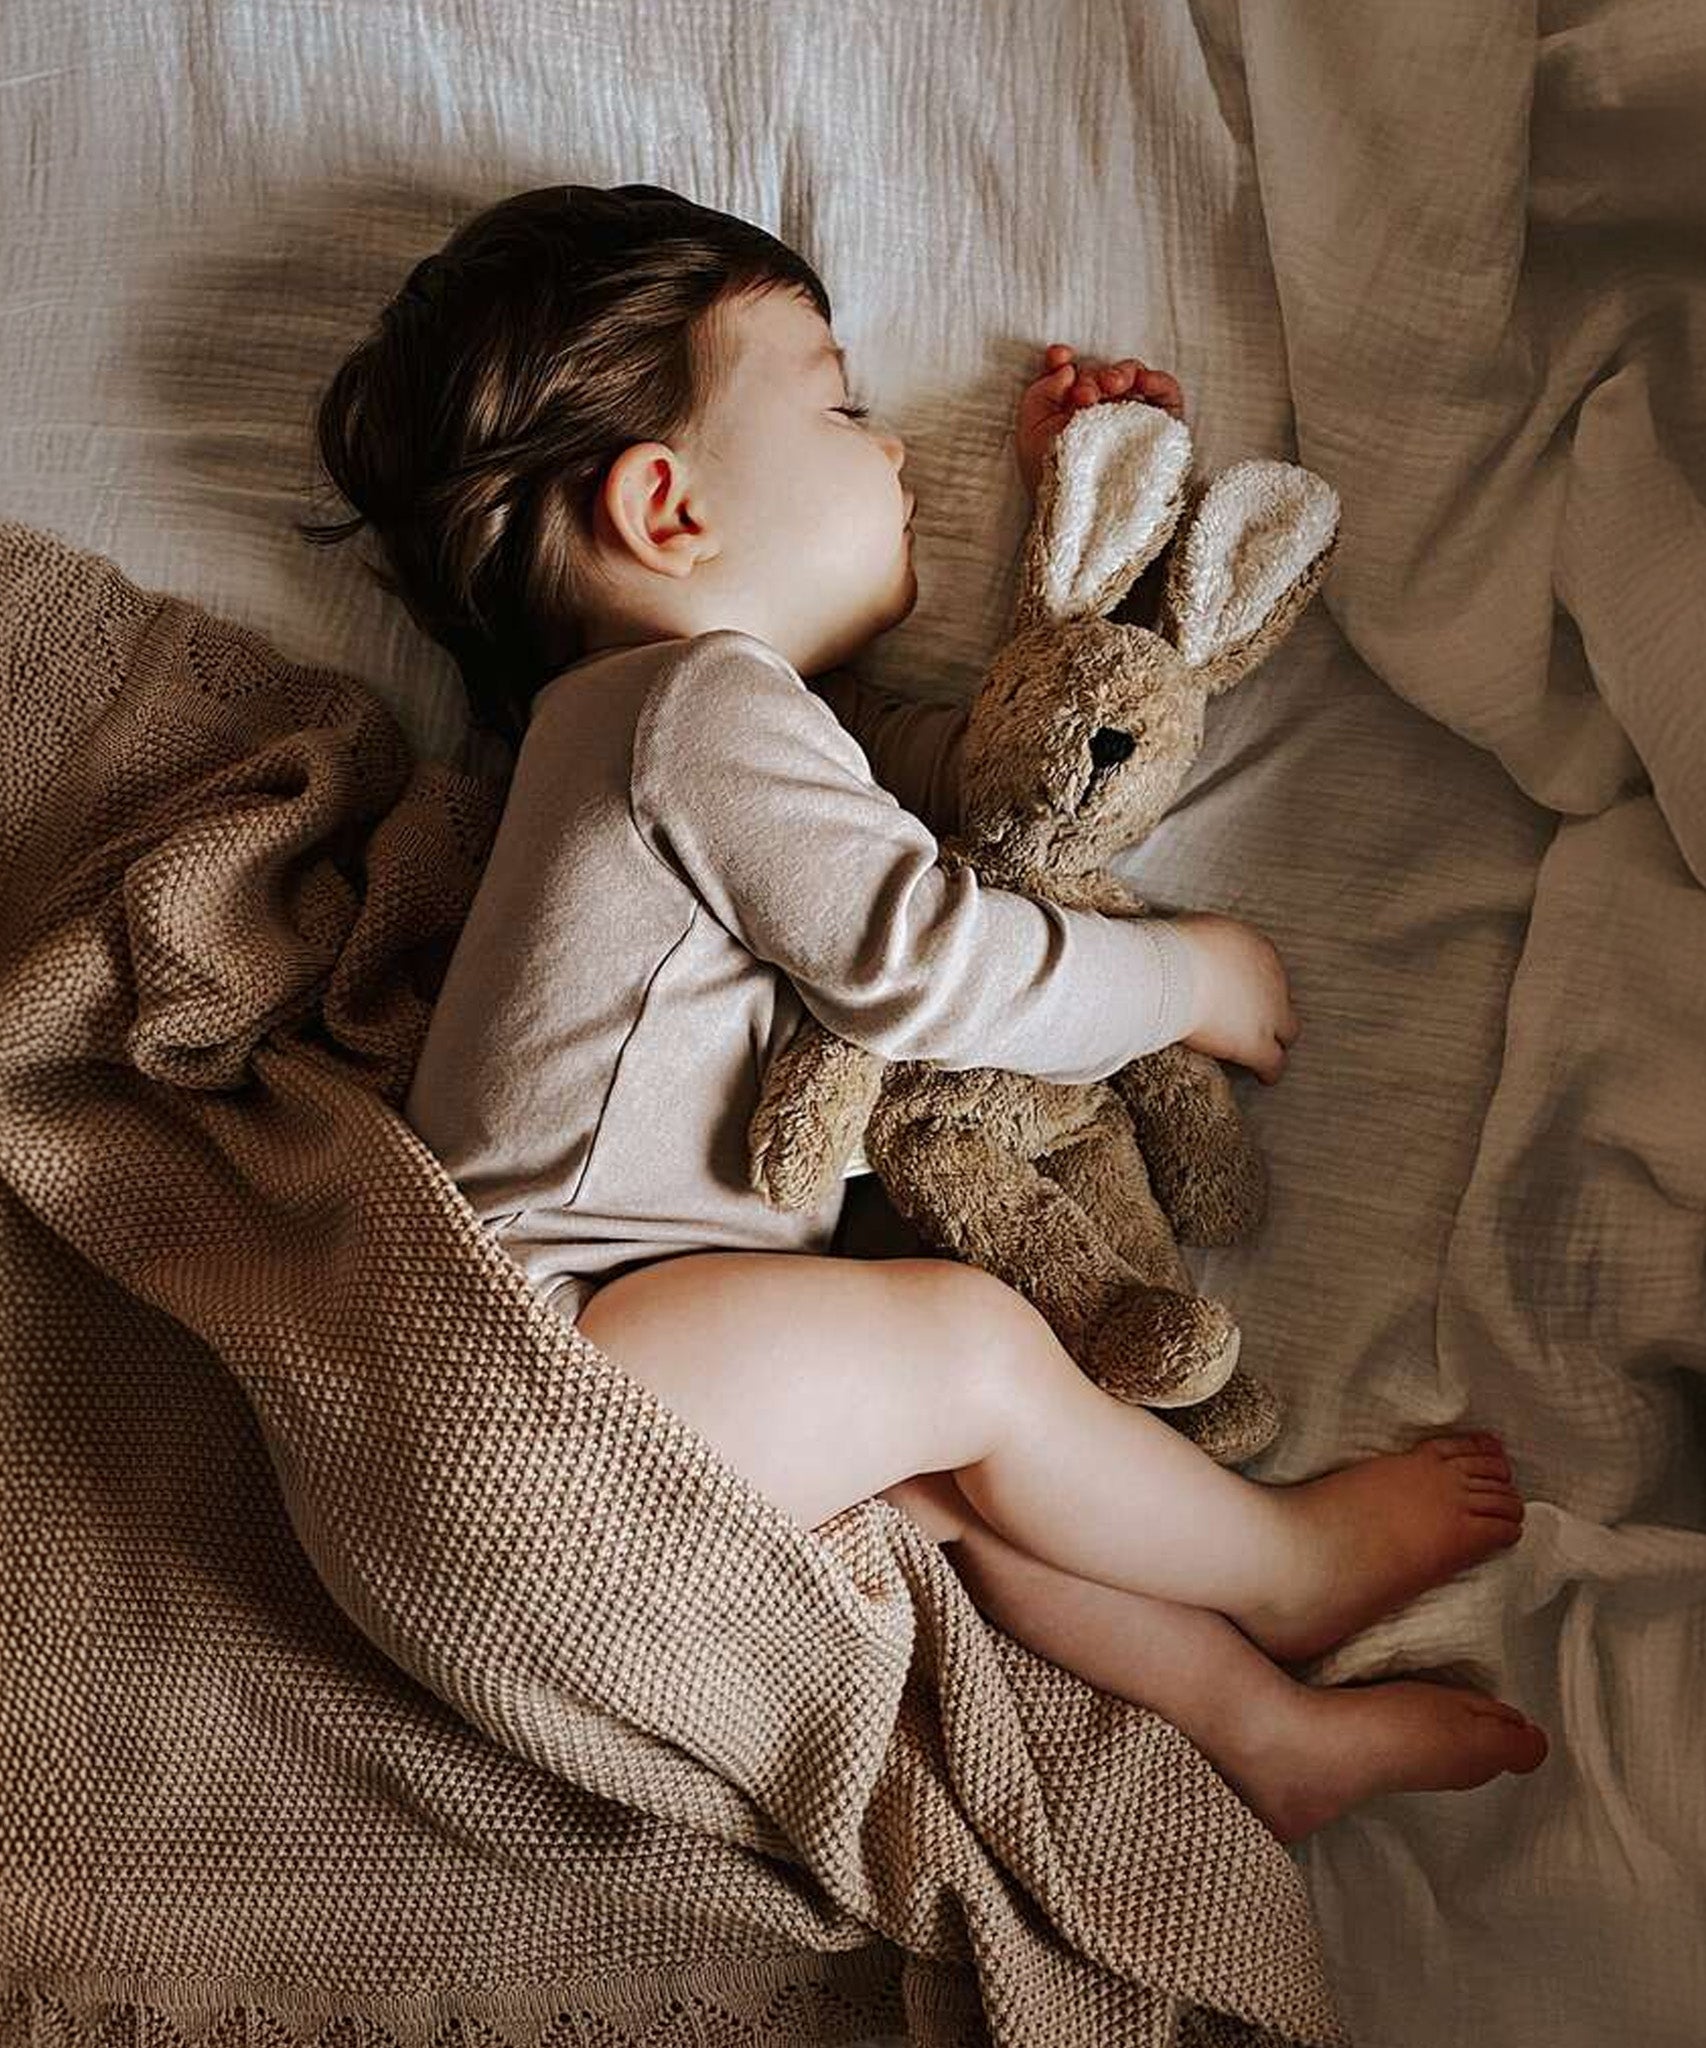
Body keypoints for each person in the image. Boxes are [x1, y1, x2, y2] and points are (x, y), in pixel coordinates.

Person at [298, 181, 1549, 1847]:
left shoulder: (713, 731)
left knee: (956, 1484)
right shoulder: (689, 705)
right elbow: (920, 950)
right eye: (843, 406)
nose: (894, 458)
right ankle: (1287, 1568)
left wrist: (1073, 509)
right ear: (665, 507)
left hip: (537, 1499)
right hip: (547, 1395)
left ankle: (1254, 1725)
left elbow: (988, 779)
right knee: (964, 1354)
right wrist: (1180, 979)